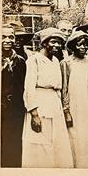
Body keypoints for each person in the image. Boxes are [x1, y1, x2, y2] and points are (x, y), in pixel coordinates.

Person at [22, 28, 73, 168]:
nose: (56, 46)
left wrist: (64, 109)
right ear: (44, 43)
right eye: (53, 42)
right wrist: (34, 114)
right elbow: (29, 88)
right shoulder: (34, 60)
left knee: (56, 141)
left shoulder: (56, 60)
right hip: (40, 104)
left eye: (59, 43)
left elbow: (59, 87)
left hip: (54, 103)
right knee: (40, 141)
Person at [60, 31, 88, 168]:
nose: (83, 48)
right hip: (74, 106)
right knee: (75, 137)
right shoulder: (66, 63)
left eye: (85, 45)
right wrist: (66, 111)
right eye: (80, 45)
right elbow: (64, 88)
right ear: (73, 46)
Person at [1, 25, 26, 167]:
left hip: (16, 110)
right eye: (3, 37)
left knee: (14, 141)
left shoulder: (20, 61)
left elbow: (23, 86)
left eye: (11, 37)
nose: (7, 40)